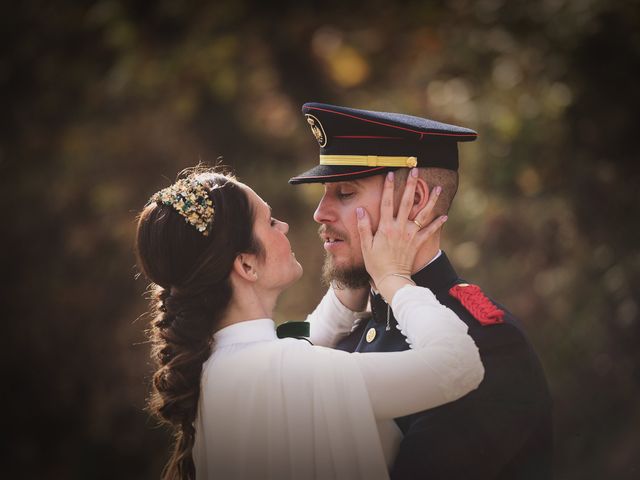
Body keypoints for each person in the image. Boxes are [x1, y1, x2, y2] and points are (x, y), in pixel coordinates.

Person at [135, 167, 484, 480]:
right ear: (246, 266)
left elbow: (310, 338)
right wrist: (394, 278)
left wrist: (353, 277)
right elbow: (459, 365)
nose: (284, 226)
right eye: (270, 222)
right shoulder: (289, 371)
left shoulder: (215, 367)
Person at [290, 102, 553, 479]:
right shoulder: (346, 330)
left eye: (345, 194)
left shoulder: (488, 343)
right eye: (325, 192)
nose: (320, 213)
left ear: (414, 202)